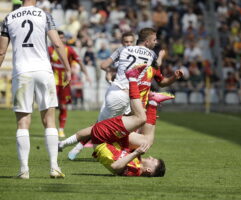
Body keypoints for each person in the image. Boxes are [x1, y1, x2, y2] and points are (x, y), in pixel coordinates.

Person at [67, 29, 184, 160]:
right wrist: (113, 72)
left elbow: (160, 78)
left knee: (114, 130)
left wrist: (174, 77)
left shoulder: (138, 59)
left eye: (130, 42)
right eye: (125, 42)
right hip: (123, 95)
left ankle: (113, 154)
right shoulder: (138, 54)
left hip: (134, 101)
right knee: (103, 127)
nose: (128, 44)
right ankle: (77, 147)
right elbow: (105, 65)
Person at [0, 0, 71, 179]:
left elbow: (1, 52)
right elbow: (57, 44)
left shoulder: (8, 18)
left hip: (22, 72)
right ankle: (54, 167)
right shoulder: (44, 15)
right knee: (49, 121)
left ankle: (24, 170)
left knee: (23, 123)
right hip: (43, 72)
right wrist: (67, 68)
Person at [59, 65, 173, 176]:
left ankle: (132, 78)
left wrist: (136, 152)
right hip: (114, 140)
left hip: (103, 140)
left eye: (154, 161)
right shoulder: (138, 161)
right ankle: (153, 102)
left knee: (140, 118)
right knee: (147, 141)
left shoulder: (135, 171)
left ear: (148, 170)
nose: (152, 157)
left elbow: (115, 167)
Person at [48, 30, 91, 138]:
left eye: (62, 37)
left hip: (65, 82)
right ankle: (50, 128)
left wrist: (87, 75)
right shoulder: (49, 50)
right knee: (50, 106)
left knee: (63, 105)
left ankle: (61, 129)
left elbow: (80, 62)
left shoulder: (69, 50)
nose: (61, 39)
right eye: (59, 37)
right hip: (52, 81)